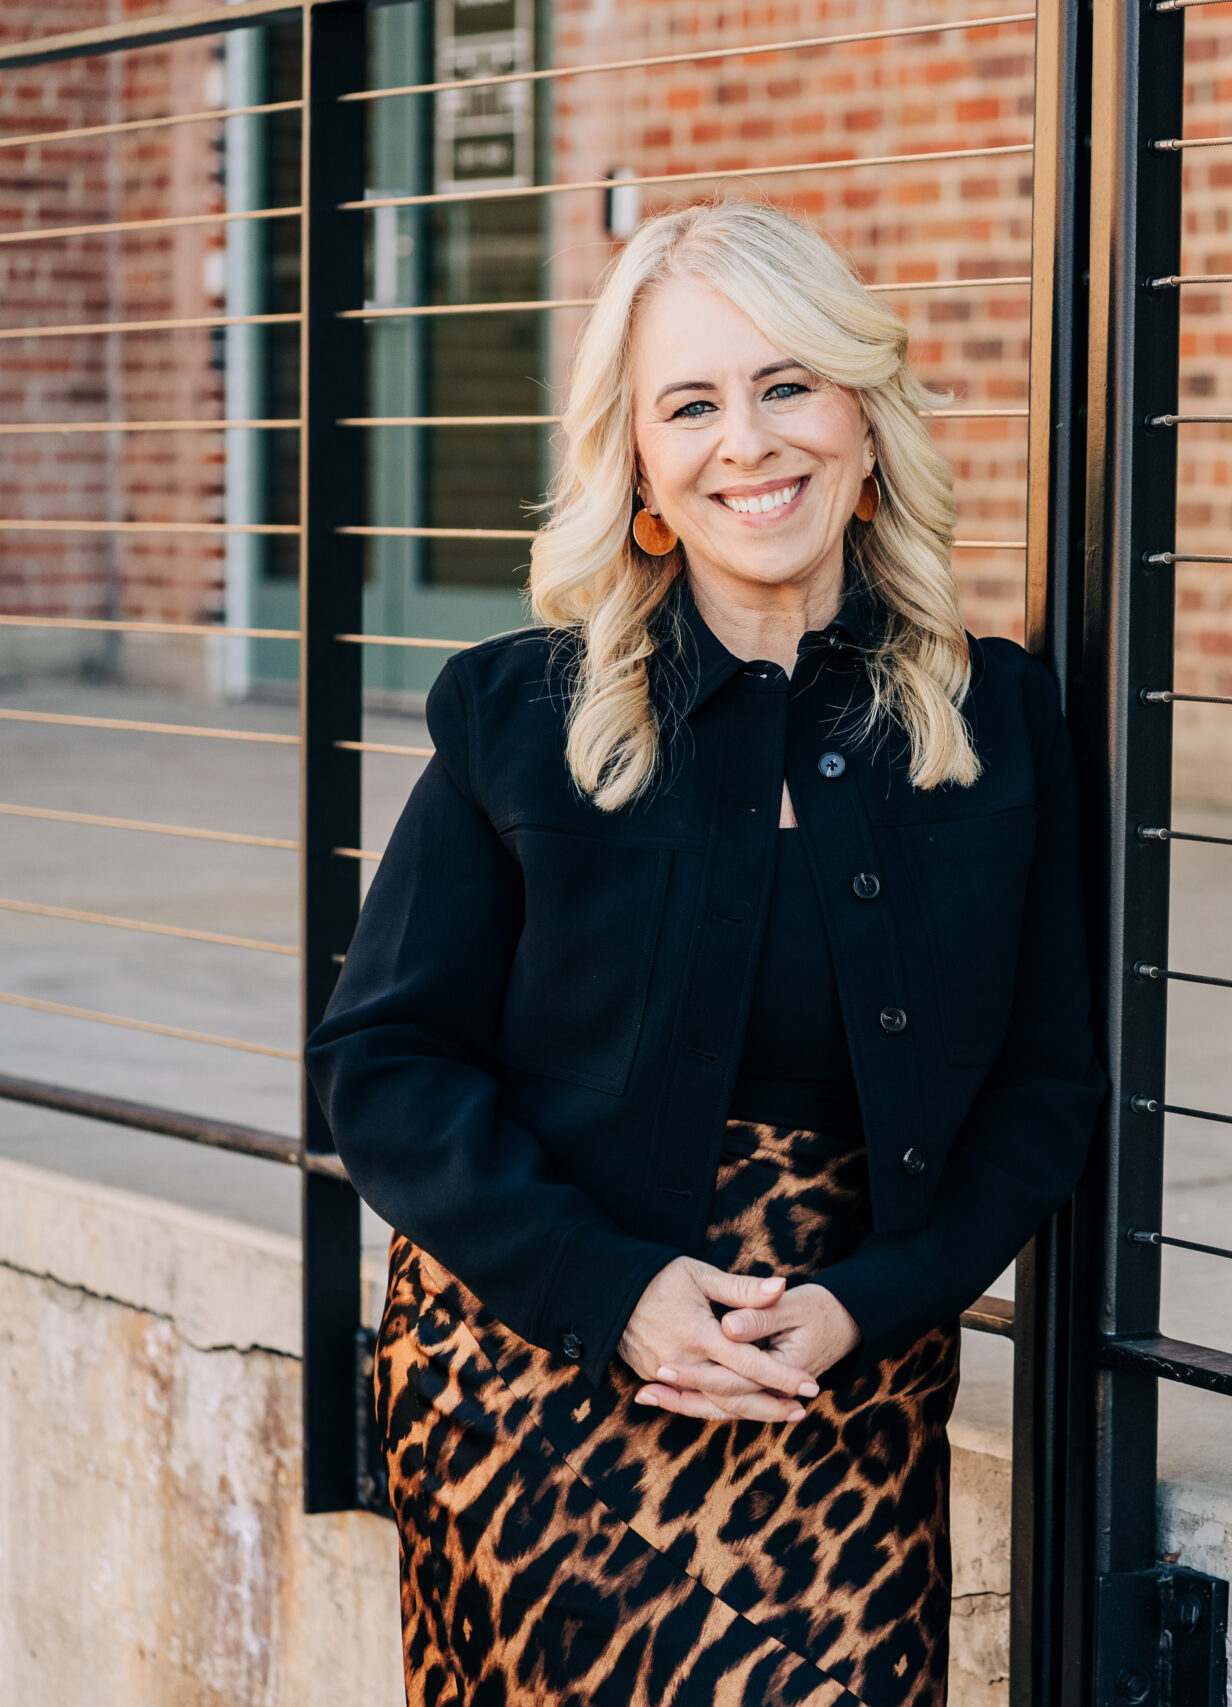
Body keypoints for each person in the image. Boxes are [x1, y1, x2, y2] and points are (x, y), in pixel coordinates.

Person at [307, 198, 1104, 1707]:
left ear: (864, 424)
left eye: (787, 383)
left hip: (836, 1387)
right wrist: (610, 1291)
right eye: (693, 404)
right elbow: (385, 1061)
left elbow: (1044, 1087)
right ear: (647, 466)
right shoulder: (523, 715)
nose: (750, 440)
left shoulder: (998, 724)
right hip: (542, 1370)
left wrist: (876, 1298)